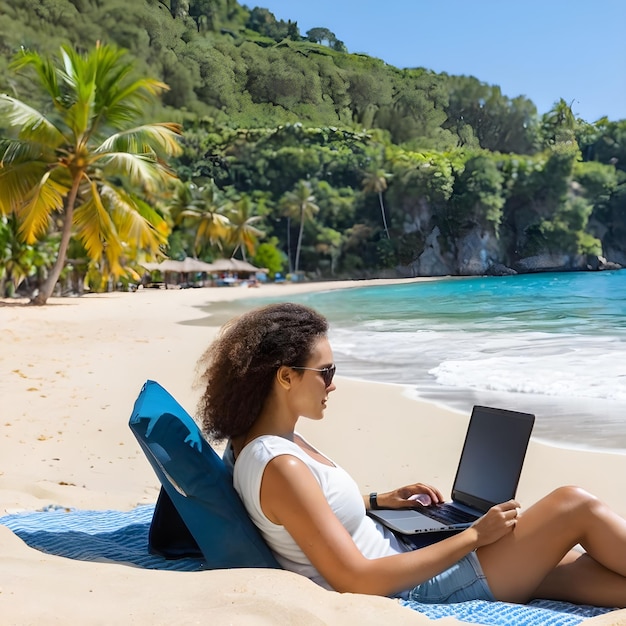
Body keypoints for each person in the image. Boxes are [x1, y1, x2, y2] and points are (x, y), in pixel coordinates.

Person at [196, 302, 626, 606]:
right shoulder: (281, 465)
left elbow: (301, 513)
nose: (333, 383)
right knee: (574, 505)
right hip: (417, 583)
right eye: (325, 372)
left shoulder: (255, 443)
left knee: (568, 564)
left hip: (404, 556)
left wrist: (379, 501)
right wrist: (473, 536)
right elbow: (357, 580)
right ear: (286, 377)